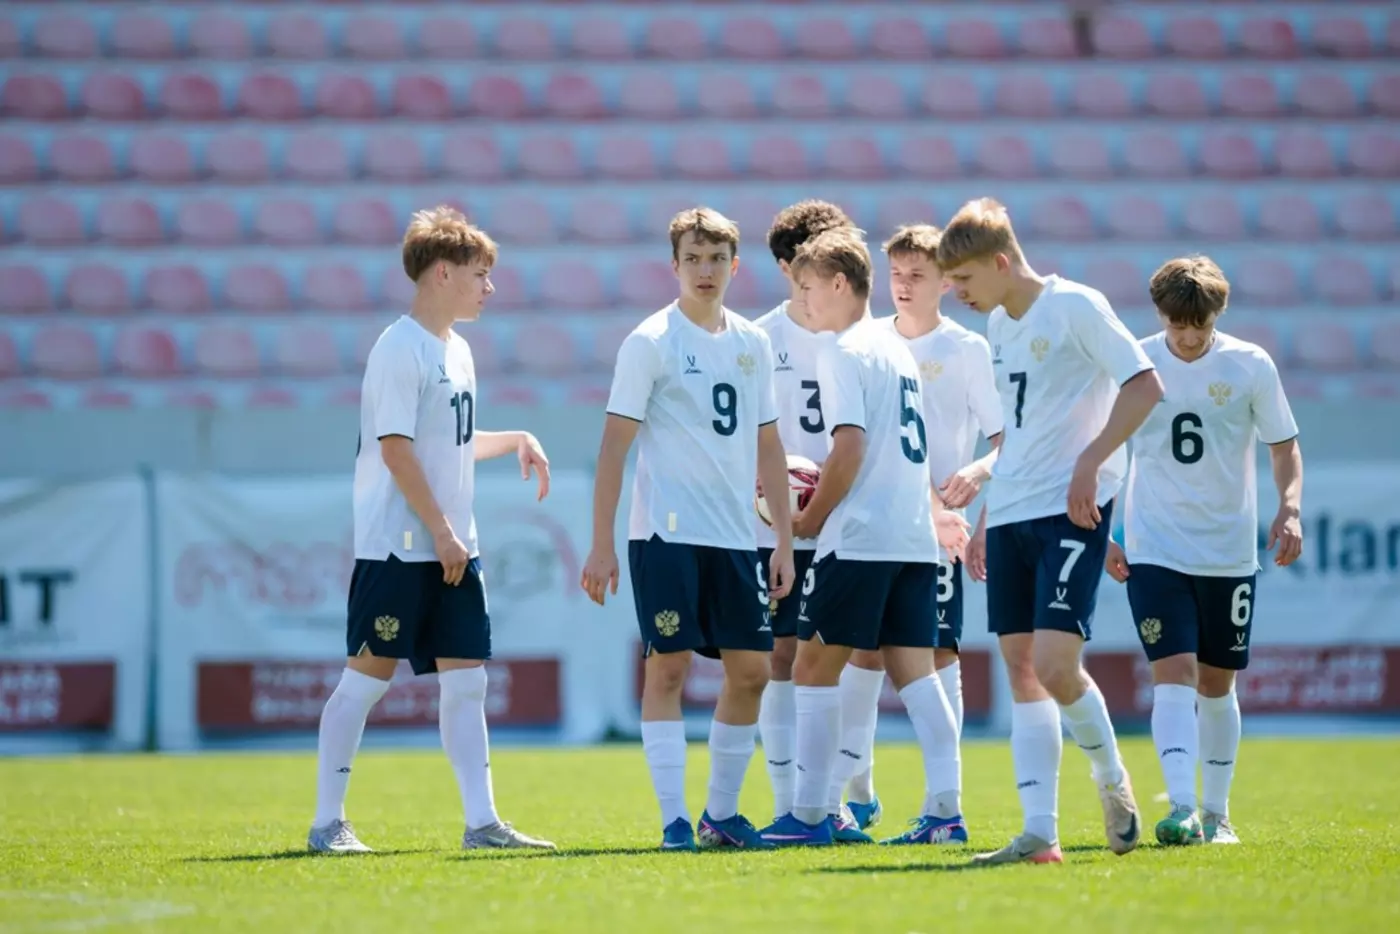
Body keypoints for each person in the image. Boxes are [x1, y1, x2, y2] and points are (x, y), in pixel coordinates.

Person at [309, 206, 555, 854]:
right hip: (398, 547)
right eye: (480, 274)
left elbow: (452, 442)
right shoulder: (398, 348)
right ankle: (327, 823)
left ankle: (483, 824)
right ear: (443, 272)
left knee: (468, 681)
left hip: (452, 546)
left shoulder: (458, 350)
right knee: (365, 681)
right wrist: (442, 531)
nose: (489, 287)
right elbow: (396, 451)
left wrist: (515, 438)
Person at [936, 198, 1164, 865]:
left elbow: (1145, 386)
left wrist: (1092, 463)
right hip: (1011, 512)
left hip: (1069, 511)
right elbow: (1020, 431)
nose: (959, 294)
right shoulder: (998, 326)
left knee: (1057, 665)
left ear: (1001, 263)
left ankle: (1111, 778)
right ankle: (1041, 834)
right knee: (1021, 668)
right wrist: (987, 514)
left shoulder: (1075, 306)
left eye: (965, 280)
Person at [580, 207, 796, 852]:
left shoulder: (753, 343)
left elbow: (769, 446)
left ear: (736, 265)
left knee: (753, 672)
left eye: (717, 258)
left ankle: (720, 814)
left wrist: (783, 539)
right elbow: (613, 448)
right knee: (668, 668)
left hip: (735, 538)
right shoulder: (650, 341)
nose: (706, 270)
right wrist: (601, 543)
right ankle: (674, 819)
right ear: (674, 266)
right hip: (666, 536)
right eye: (694, 259)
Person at [758, 227, 963, 848]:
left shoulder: (842, 351)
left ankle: (811, 814)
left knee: (812, 666)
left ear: (841, 283)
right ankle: (947, 813)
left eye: (809, 286)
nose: (803, 299)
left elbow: (848, 448)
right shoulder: (895, 349)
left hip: (862, 539)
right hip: (911, 539)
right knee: (918, 677)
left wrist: (809, 520)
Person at [1106, 255, 1302, 847]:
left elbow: (1283, 445)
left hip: (1227, 549)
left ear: (1219, 315)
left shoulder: (1250, 364)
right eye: (1177, 325)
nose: (1188, 338)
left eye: (1200, 325)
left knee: (1217, 683)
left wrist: (1290, 505)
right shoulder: (1135, 363)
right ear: (1159, 314)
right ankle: (1183, 808)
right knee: (1173, 673)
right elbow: (1106, 446)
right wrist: (1108, 532)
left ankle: (1218, 815)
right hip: (1154, 546)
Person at [845, 224, 1004, 843]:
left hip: (935, 532)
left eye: (918, 275)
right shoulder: (869, 341)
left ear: (945, 281)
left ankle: (943, 803)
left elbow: (1007, 440)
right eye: (897, 275)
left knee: (937, 655)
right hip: (869, 520)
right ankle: (857, 790)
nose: (905, 286)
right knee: (858, 651)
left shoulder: (966, 349)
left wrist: (978, 483)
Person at [753, 199, 854, 827]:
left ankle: (841, 794)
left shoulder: (860, 337)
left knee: (849, 659)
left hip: (849, 520)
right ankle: (787, 803)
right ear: (786, 267)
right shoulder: (760, 339)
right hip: (779, 525)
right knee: (781, 657)